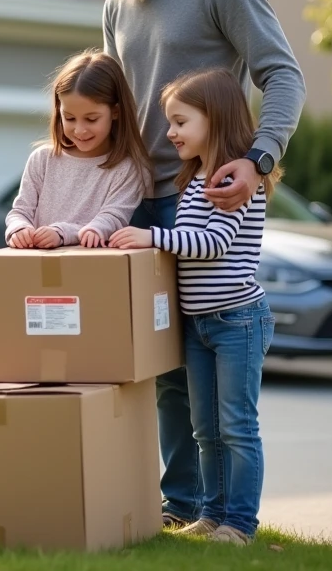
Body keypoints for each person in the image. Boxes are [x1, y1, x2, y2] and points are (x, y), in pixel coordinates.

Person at [51, 0, 305, 529]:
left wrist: (258, 160)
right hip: (140, 204)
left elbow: (282, 75)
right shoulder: (115, 6)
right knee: (167, 368)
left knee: (218, 382)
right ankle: (183, 507)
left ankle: (226, 514)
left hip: (208, 201)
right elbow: (119, 114)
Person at [112, 67, 280, 544]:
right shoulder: (194, 177)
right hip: (201, 324)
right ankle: (212, 514)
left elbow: (213, 242)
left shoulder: (236, 179)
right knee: (205, 428)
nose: (171, 133)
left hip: (238, 321)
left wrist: (152, 236)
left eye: (181, 122)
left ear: (215, 118)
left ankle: (241, 524)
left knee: (237, 427)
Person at [6, 50, 151, 250]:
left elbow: (113, 217)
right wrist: (19, 229)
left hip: (92, 268)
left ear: (115, 112)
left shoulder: (127, 168)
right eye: (70, 118)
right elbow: (19, 211)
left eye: (91, 119)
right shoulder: (41, 159)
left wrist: (61, 233)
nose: (80, 130)